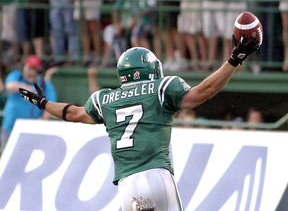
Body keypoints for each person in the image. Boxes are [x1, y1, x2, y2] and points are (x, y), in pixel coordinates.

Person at [19, 35, 259, 210]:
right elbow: (205, 91)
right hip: (157, 175)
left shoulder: (106, 98)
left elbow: (72, 113)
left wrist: (43, 104)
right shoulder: (162, 88)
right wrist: (234, 60)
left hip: (126, 186)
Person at [0, 55, 57, 155]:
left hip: (30, 131)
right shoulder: (16, 76)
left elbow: (51, 105)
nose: (31, 71)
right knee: (6, 157)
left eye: (34, 69)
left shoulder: (45, 85)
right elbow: (9, 86)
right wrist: (27, 88)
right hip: (10, 127)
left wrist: (42, 120)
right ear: (25, 67)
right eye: (29, 67)